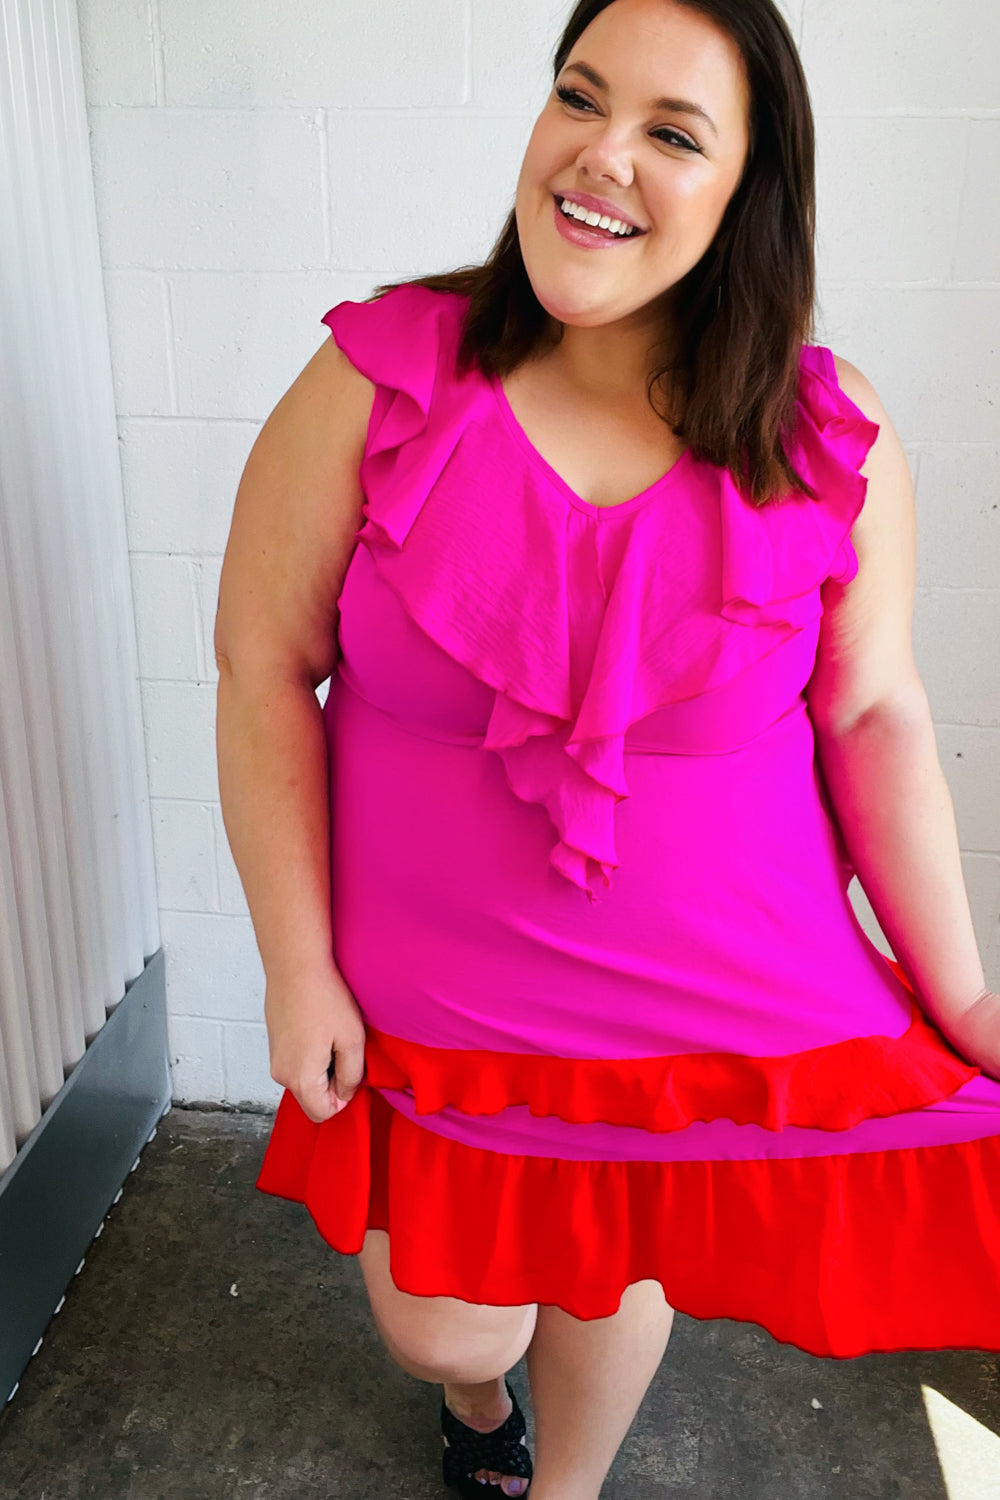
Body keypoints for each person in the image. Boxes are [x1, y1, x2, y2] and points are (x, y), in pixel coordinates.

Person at [214, 1, 1000, 1496]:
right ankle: (476, 1407)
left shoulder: (826, 434)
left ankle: (563, 1489)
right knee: (446, 1325)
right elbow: (263, 669)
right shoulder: (379, 378)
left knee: (615, 1263)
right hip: (433, 1001)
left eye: (672, 131)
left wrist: (959, 988)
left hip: (698, 1005)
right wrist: (295, 965)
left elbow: (873, 712)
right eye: (580, 97)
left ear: (749, 192)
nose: (601, 153)